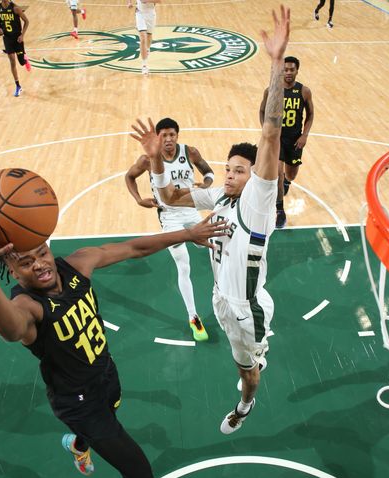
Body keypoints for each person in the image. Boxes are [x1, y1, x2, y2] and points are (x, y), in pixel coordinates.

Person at [0, 212, 227, 478]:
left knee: (114, 407)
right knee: (141, 474)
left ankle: (78, 445)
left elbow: (134, 248)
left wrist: (187, 234)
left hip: (105, 374)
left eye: (42, 253)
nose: (39, 264)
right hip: (78, 404)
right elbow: (8, 329)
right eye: (25, 263)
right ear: (14, 273)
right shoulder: (28, 307)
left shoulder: (76, 265)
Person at [130, 4, 291, 435]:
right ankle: (248, 370)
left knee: (249, 374)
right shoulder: (219, 194)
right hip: (220, 296)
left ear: (255, 175)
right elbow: (167, 196)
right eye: (230, 168)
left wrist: (275, 65)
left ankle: (246, 403)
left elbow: (271, 132)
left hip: (247, 308)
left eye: (241, 170)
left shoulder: (258, 200)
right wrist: (153, 161)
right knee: (237, 359)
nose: (232, 174)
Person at [124, 117, 216, 341]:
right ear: (157, 137)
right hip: (169, 218)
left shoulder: (190, 152)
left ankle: (225, 295)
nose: (168, 139)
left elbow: (208, 172)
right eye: (163, 135)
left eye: (171, 134)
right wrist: (138, 199)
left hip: (191, 210)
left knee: (217, 246)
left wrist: (205, 185)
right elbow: (129, 177)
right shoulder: (148, 159)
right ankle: (193, 317)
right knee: (183, 265)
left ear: (177, 135)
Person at [258, 55, 314, 229]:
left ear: (297, 71)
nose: (288, 72)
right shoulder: (271, 91)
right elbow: (261, 111)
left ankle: (287, 182)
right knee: (279, 173)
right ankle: (280, 211)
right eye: (285, 69)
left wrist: (304, 135)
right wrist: (267, 132)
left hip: (295, 139)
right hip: (278, 139)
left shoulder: (304, 91)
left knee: (290, 175)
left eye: (291, 69)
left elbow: (310, 114)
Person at [0, 0, 31, 97]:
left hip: (17, 39)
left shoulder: (16, 8)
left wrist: (22, 35)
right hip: (7, 38)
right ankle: (18, 86)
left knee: (22, 63)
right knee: (12, 61)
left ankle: (25, 59)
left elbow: (26, 21)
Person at [127, 0, 159, 75]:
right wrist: (129, 2)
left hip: (151, 14)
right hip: (140, 13)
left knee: (149, 35)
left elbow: (159, 1)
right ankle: (144, 65)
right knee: (143, 38)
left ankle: (147, 49)